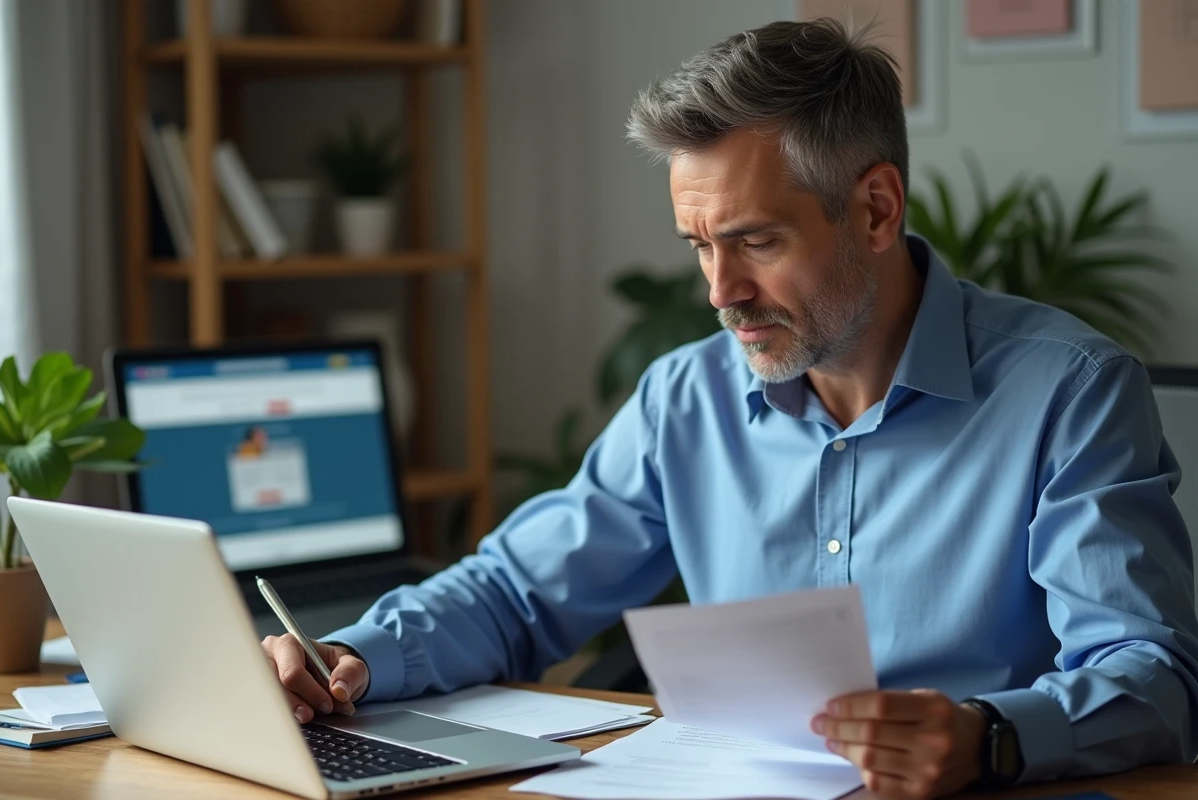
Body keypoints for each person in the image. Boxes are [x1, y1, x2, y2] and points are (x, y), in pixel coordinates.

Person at [262, 19, 1198, 799]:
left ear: (875, 210)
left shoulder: (1070, 390)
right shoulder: (686, 396)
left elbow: (1151, 676)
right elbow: (516, 591)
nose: (719, 291)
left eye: (755, 241)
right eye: (699, 246)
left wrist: (988, 735)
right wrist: (349, 655)